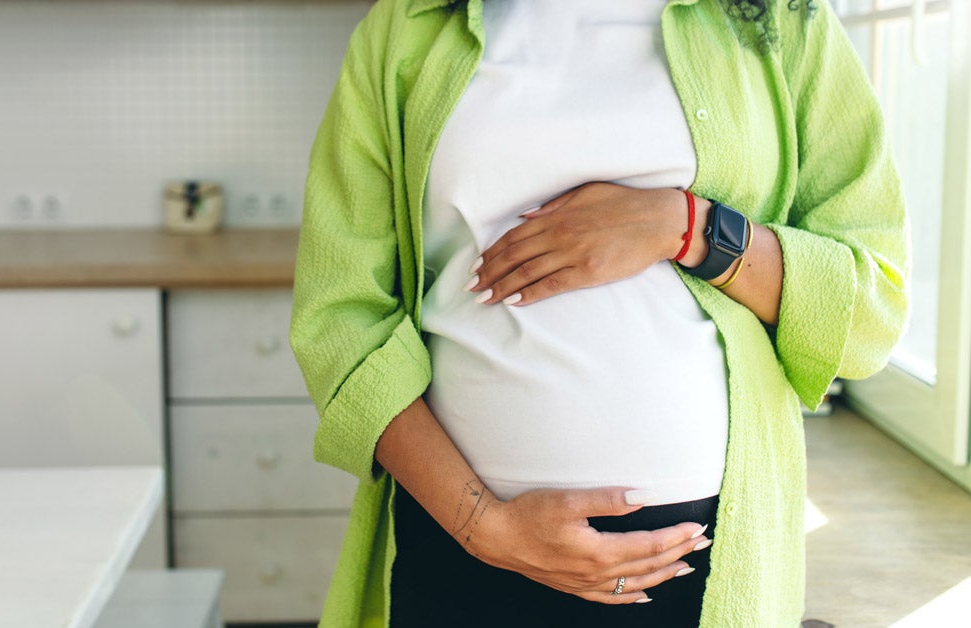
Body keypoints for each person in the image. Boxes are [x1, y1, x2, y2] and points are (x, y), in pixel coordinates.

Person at [290, 0, 909, 626]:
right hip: (457, 535)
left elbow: (869, 310)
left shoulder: (778, 19)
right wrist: (482, 524)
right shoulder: (408, 25)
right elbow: (340, 316)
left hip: (702, 558)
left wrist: (687, 227)